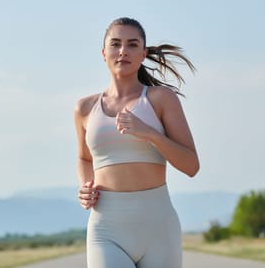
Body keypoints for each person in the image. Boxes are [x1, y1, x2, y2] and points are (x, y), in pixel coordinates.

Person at [73, 17, 199, 268]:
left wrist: (150, 133)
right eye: (115, 44)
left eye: (132, 45)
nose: (123, 51)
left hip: (158, 227)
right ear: (103, 52)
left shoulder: (161, 99)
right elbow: (84, 158)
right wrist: (85, 186)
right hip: (106, 227)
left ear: (143, 53)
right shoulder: (84, 108)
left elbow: (191, 166)